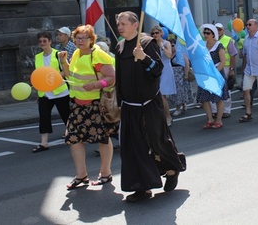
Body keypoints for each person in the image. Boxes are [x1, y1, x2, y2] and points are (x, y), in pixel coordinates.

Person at [115, 11, 186, 203]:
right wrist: (119, 101)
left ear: (135, 25)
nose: (119, 27)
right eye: (118, 24)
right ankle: (142, 187)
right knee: (133, 147)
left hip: (148, 104)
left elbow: (157, 70)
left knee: (157, 141)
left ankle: (172, 169)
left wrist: (144, 57)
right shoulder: (120, 46)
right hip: (129, 106)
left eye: (123, 23)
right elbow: (119, 76)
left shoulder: (147, 43)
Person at [59, 24, 116, 190]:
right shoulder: (76, 53)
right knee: (73, 139)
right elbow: (70, 76)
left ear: (92, 40)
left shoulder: (97, 55)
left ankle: (105, 173)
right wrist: (63, 61)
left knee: (103, 139)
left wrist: (97, 84)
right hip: (77, 104)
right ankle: (81, 175)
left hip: (96, 105)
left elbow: (111, 77)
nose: (80, 40)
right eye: (77, 37)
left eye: (84, 38)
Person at [32, 31, 70, 153]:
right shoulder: (38, 57)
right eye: (40, 41)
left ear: (50, 42)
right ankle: (44, 143)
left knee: (66, 115)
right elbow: (38, 75)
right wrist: (38, 91)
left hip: (59, 91)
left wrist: (55, 76)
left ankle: (71, 135)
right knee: (44, 116)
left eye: (45, 41)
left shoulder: (58, 54)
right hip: (45, 92)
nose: (42, 43)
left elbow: (66, 72)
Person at [197, 24, 229, 129]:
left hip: (216, 74)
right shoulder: (202, 45)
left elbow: (222, 61)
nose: (205, 35)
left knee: (218, 98)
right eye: (204, 33)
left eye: (208, 33)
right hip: (206, 74)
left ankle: (219, 120)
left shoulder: (219, 45)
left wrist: (215, 74)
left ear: (213, 34)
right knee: (204, 98)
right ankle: (210, 119)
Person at [211, 22, 238, 118]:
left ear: (223, 30)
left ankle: (226, 110)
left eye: (219, 29)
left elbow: (233, 55)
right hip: (213, 67)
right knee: (213, 88)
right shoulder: (211, 40)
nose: (218, 31)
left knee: (225, 89)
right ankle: (214, 110)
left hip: (225, 67)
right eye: (216, 29)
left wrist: (231, 69)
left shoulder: (228, 40)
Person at [150, 26, 176, 126]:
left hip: (165, 68)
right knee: (156, 94)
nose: (154, 35)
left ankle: (168, 116)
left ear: (161, 33)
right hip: (156, 69)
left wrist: (162, 47)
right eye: (152, 34)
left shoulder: (166, 43)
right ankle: (160, 117)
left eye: (156, 33)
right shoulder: (151, 44)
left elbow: (169, 56)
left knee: (162, 94)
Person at [169, 39, 194, 117]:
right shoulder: (169, 54)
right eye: (170, 45)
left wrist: (186, 74)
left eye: (173, 45)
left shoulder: (180, 53)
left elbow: (186, 63)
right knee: (177, 91)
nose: (171, 47)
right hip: (172, 75)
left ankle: (178, 108)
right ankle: (183, 104)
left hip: (180, 74)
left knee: (180, 91)